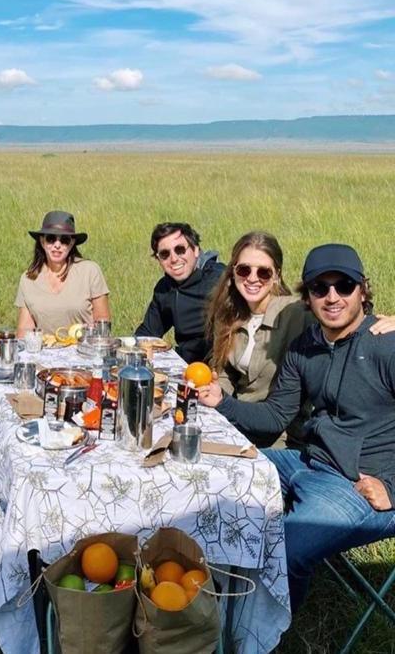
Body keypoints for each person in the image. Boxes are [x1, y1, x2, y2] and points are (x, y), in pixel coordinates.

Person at [199, 244, 395, 613]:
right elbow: (275, 416)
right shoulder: (305, 347)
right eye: (320, 288)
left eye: (344, 286)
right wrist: (220, 402)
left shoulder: (387, 346)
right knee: (215, 471)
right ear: (307, 298)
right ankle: (214, 604)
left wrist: (394, 489)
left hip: (361, 483)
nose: (332, 297)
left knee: (283, 544)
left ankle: (270, 636)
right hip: (307, 462)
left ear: (363, 290)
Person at [206, 231, 395, 449]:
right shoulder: (228, 313)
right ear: (233, 272)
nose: (252, 278)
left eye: (264, 272)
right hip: (239, 417)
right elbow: (225, 371)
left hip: (280, 436)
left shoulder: (295, 312)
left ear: (276, 275)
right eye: (244, 270)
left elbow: (347, 316)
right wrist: (218, 396)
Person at [135, 222, 225, 363]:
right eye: (165, 254)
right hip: (183, 364)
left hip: (218, 368)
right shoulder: (165, 288)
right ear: (158, 259)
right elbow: (147, 334)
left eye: (180, 249)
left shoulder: (220, 279)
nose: (174, 258)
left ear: (196, 250)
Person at [15, 210, 110, 337]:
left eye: (64, 240)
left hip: (84, 349)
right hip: (44, 351)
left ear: (72, 243)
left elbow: (103, 322)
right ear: (42, 242)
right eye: (51, 239)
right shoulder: (28, 278)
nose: (57, 245)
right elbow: (24, 330)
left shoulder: (90, 271)